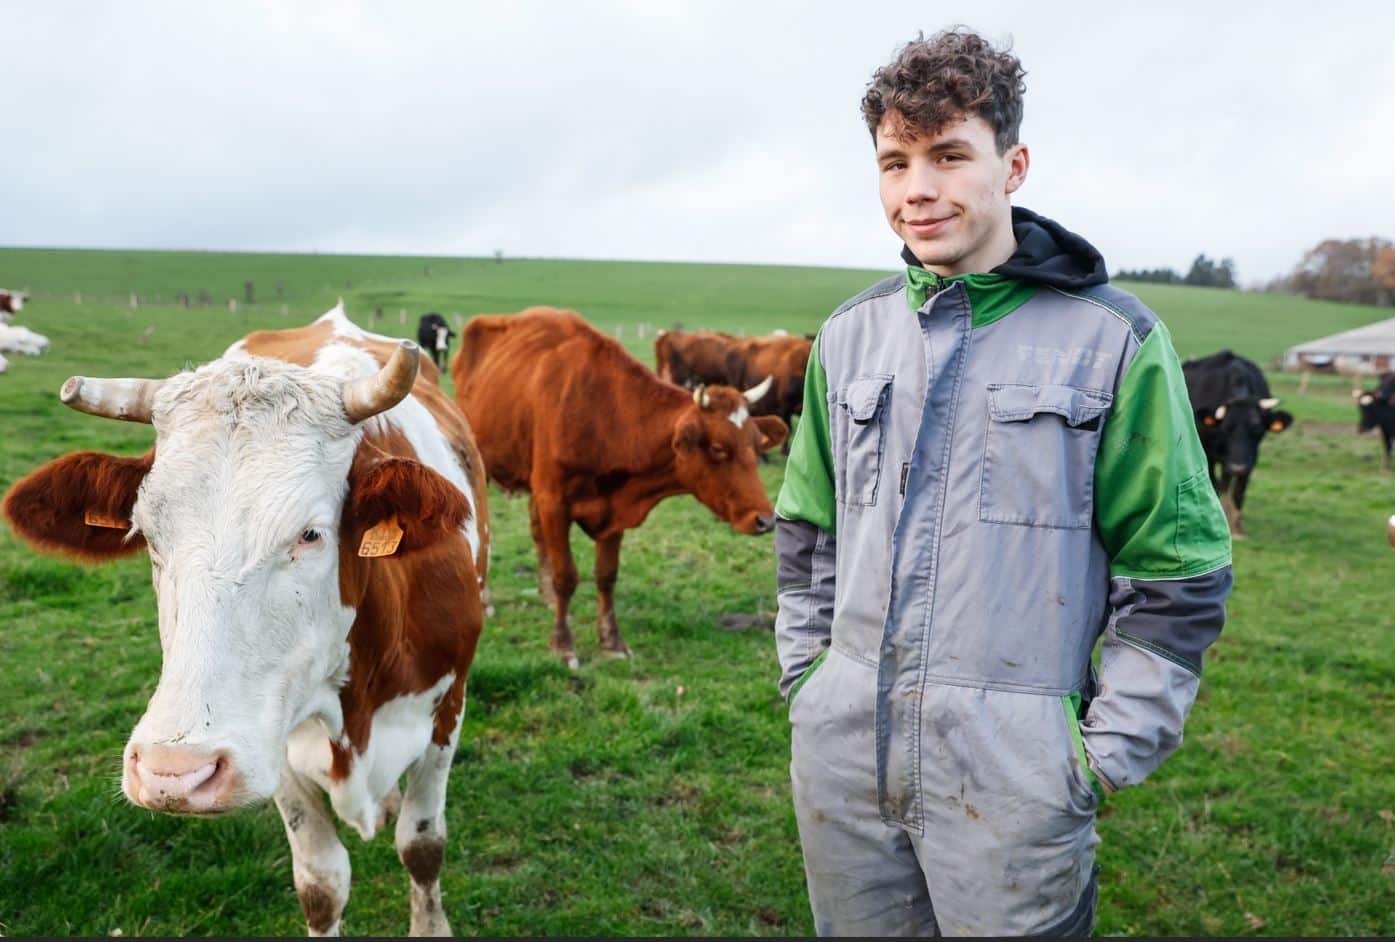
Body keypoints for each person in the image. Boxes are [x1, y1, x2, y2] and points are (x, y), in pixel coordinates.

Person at [773, 27, 1233, 937]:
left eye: (948, 155)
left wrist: (1094, 756)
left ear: (1012, 164)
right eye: (893, 161)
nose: (917, 189)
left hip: (1013, 781)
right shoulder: (848, 336)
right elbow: (805, 532)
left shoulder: (1114, 341)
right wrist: (811, 679)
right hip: (842, 766)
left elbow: (1177, 571)